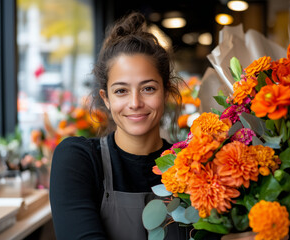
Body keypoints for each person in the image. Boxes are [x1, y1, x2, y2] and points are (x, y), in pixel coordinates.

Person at [50, 12, 188, 240]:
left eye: (148, 88)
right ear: (106, 98)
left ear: (166, 93)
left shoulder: (193, 165)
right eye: (121, 91)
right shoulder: (78, 159)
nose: (135, 103)